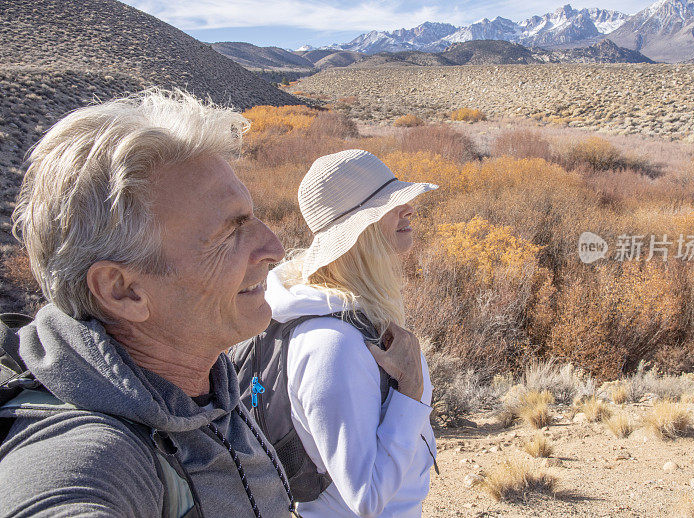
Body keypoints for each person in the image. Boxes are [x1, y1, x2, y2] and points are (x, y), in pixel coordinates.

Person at [0, 89, 295, 517]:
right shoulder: (94, 456)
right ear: (123, 291)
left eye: (251, 217)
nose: (275, 247)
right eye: (230, 232)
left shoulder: (204, 374)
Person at [261, 149, 439, 517]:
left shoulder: (351, 319)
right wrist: (412, 391)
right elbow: (366, 497)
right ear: (358, 229)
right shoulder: (332, 345)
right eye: (390, 203)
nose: (409, 208)